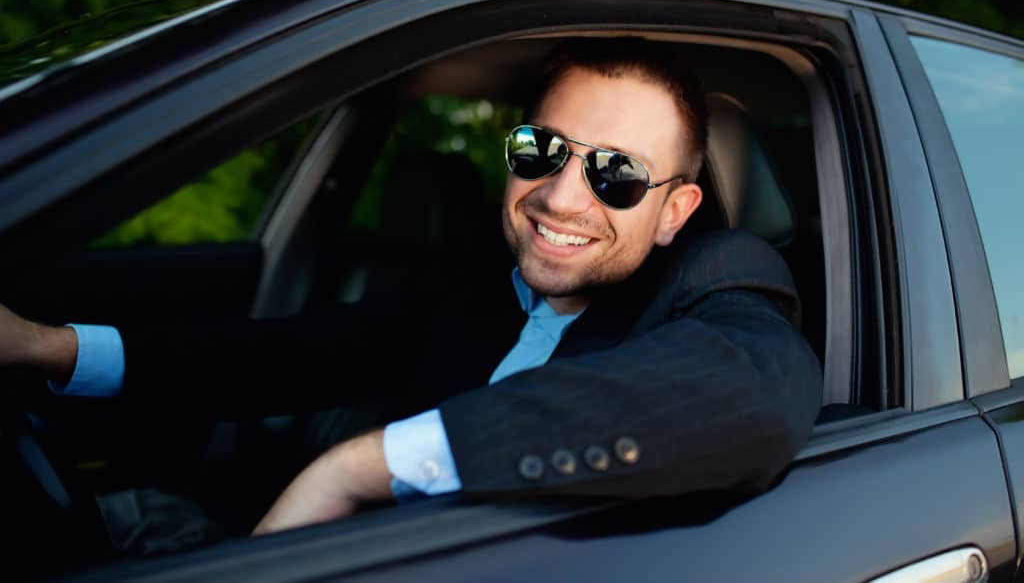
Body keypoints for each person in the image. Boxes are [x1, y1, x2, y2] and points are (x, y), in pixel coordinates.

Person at [0, 38, 822, 541]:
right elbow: (281, 355)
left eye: (616, 173)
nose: (561, 197)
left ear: (677, 209)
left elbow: (753, 393)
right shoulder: (468, 285)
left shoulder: (715, 278)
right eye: (543, 149)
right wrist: (50, 347)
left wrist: (360, 466)